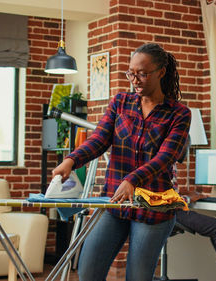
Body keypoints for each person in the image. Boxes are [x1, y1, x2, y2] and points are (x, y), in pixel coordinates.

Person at [52, 43, 191, 281]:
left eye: (142, 73)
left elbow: (165, 158)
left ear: (161, 72)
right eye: (131, 73)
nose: (135, 80)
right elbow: (99, 139)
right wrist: (70, 161)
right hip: (115, 201)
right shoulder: (120, 103)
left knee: (137, 277)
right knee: (88, 270)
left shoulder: (179, 113)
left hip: (154, 206)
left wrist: (132, 180)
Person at [175, 191, 216, 281]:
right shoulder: (161, 176)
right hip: (170, 213)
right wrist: (188, 199)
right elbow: (162, 200)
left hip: (164, 214)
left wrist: (183, 195)